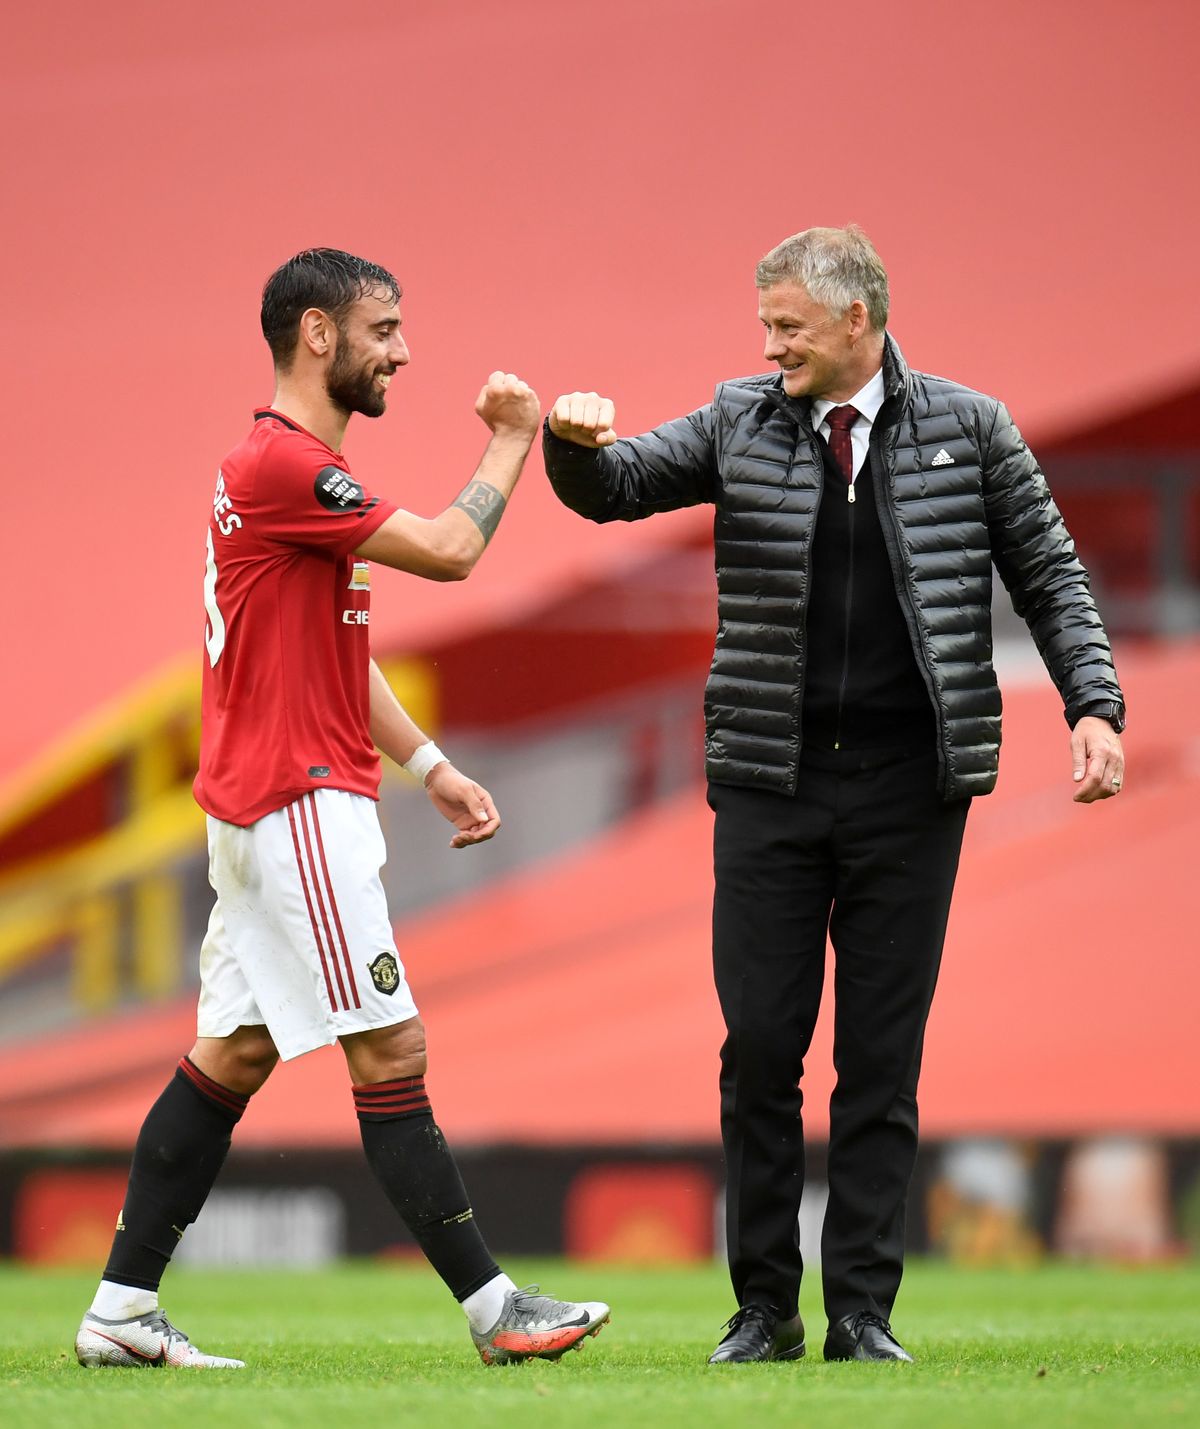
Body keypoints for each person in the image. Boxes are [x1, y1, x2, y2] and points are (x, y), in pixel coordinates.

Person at [544, 225, 1125, 1365]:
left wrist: (1092, 703)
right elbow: (615, 489)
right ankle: (763, 1308)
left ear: (857, 320)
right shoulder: (737, 417)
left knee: (881, 1057)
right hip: (770, 782)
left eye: (788, 328)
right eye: (766, 327)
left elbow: (1051, 571)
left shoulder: (974, 425)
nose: (770, 348)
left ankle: (863, 1313)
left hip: (913, 791)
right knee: (761, 1047)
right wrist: (572, 446)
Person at [75, 248, 609, 1371]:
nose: (402, 353)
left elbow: (336, 654)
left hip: (271, 800)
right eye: (385, 330)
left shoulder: (279, 473)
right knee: (390, 1046)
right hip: (295, 803)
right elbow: (454, 552)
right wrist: (513, 439)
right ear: (317, 333)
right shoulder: (287, 467)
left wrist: (431, 766)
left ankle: (120, 1309)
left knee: (233, 1053)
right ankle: (495, 1308)